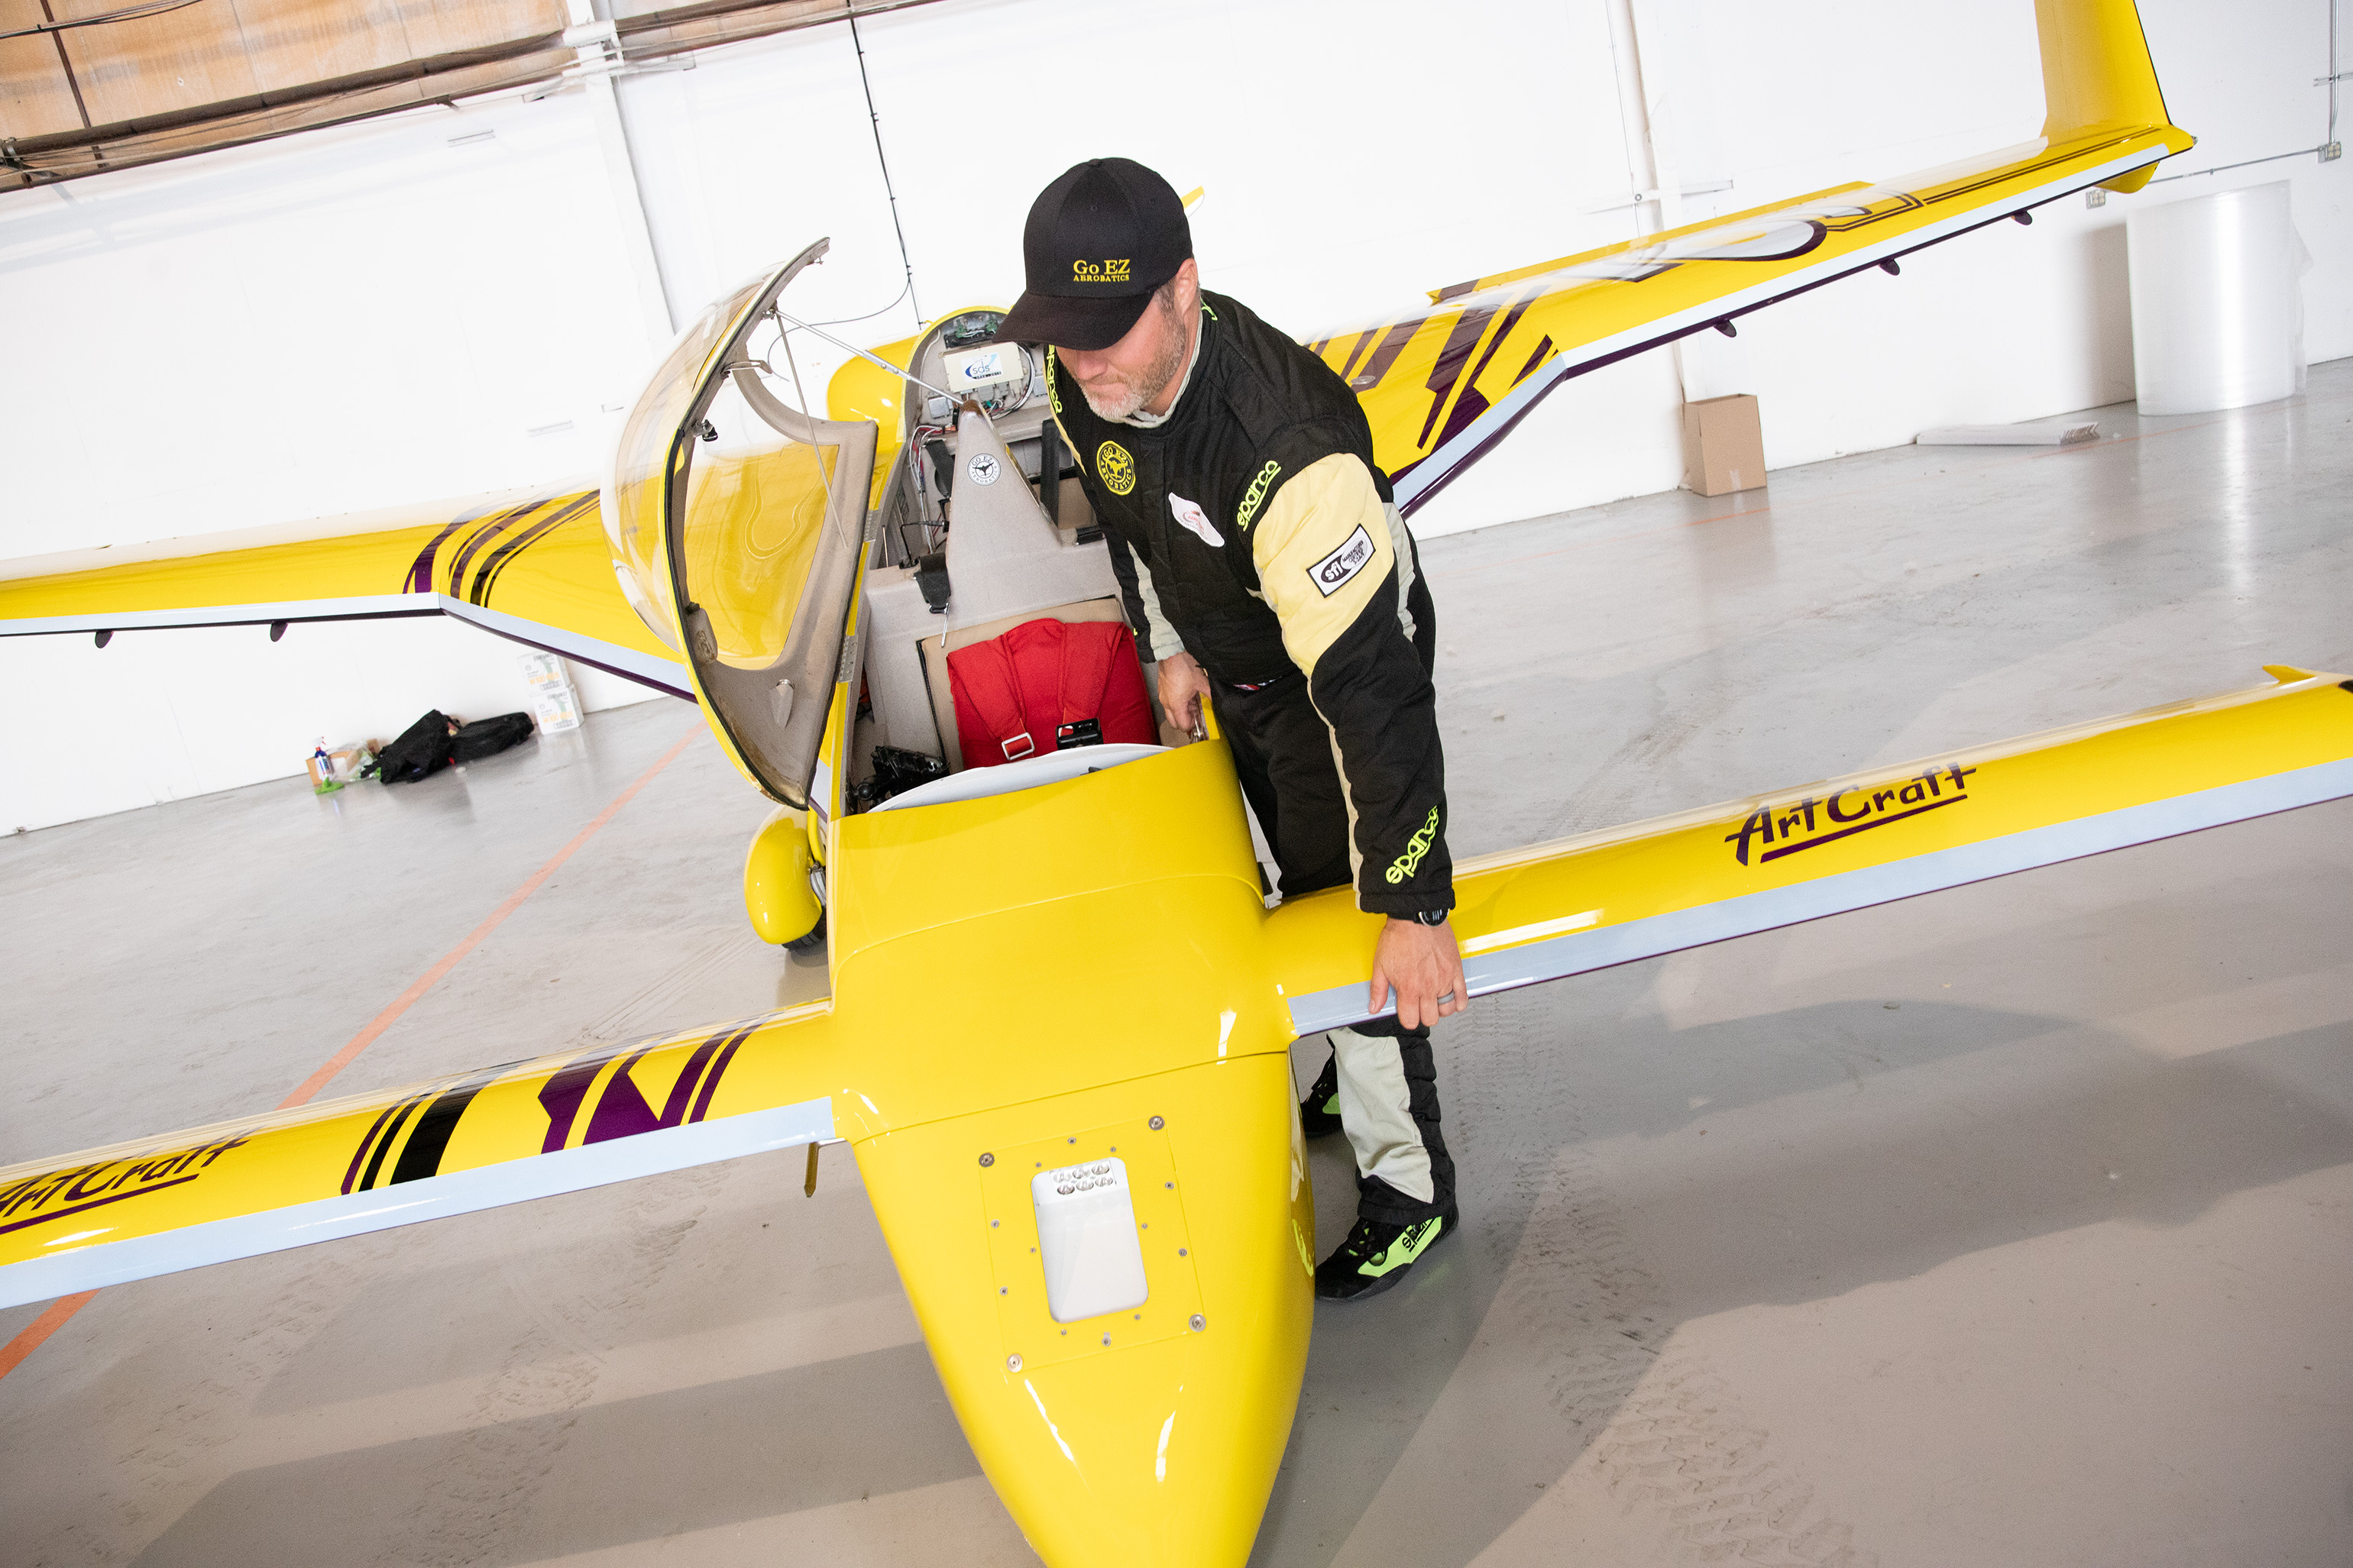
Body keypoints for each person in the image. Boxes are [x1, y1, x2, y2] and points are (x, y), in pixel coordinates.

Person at [994, 157, 1467, 1301]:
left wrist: (1411, 904)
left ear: (1183, 292)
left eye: (1107, 329)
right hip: (1236, 665)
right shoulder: (1085, 378)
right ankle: (1350, 1065)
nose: (1082, 359)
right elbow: (1130, 519)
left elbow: (1375, 694)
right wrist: (1169, 642)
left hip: (1329, 683)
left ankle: (1411, 1189)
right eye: (1063, 332)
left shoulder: (1283, 452)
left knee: (1343, 919)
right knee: (1286, 892)